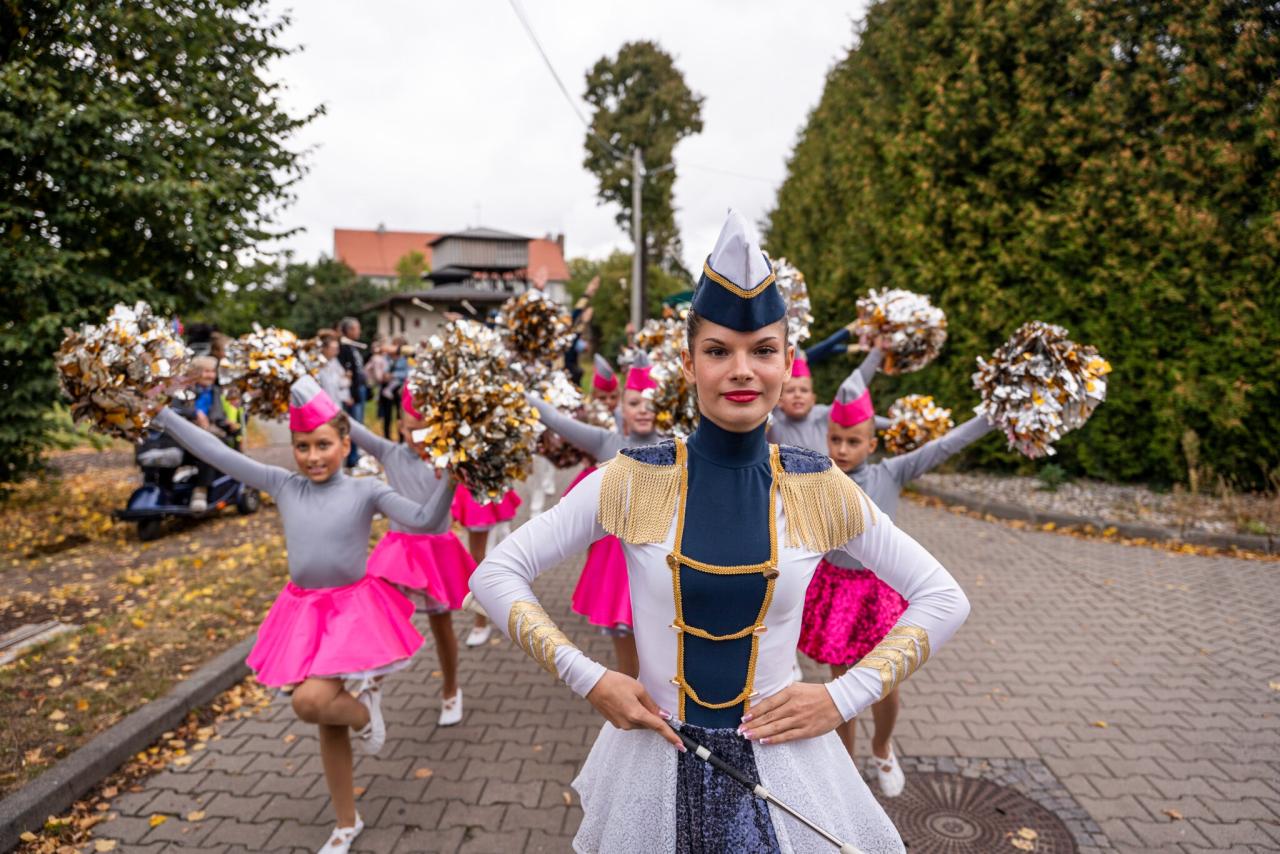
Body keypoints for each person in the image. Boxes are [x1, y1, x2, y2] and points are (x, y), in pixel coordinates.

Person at [469, 211, 969, 852]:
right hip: (653, 756)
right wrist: (588, 678)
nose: (741, 370)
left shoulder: (818, 487)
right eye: (718, 351)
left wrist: (845, 697)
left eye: (762, 350)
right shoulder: (632, 480)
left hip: (786, 765)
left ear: (787, 361)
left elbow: (945, 597)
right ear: (689, 361)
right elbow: (494, 573)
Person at [151, 377, 444, 853]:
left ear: (346, 444)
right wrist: (161, 415)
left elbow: (427, 520)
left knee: (309, 702)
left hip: (350, 612)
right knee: (325, 717)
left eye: (324, 445)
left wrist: (452, 473)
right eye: (303, 447)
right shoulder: (283, 484)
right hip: (304, 613)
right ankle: (346, 820)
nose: (312, 457)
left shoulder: (366, 491)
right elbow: (215, 452)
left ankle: (364, 711)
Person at [799, 371, 994, 797]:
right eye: (835, 440)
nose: (843, 450)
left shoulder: (893, 471)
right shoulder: (817, 478)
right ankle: (846, 772)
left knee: (885, 680)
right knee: (841, 684)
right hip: (833, 591)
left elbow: (944, 446)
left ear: (873, 443)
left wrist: (992, 417)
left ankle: (883, 745)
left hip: (876, 592)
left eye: (853, 442)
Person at [525, 354, 666, 678]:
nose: (643, 409)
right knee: (628, 654)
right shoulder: (606, 441)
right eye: (634, 402)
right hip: (619, 562)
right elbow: (554, 419)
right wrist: (518, 392)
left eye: (650, 401)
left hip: (662, 555)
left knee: (665, 647)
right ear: (621, 409)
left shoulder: (678, 444)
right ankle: (634, 706)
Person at [353, 387, 474, 726]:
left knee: (441, 625)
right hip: (400, 551)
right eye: (410, 428)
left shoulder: (449, 458)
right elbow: (347, 426)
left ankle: (451, 690)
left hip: (437, 552)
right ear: (400, 428)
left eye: (425, 428)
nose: (417, 436)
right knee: (383, 614)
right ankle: (373, 679)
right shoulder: (389, 453)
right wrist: (307, 389)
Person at [179, 355, 234, 512]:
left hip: (212, 433)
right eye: (206, 371)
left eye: (212, 372)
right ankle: (200, 491)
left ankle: (206, 488)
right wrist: (194, 413)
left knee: (214, 442)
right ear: (195, 373)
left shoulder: (216, 392)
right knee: (206, 445)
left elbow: (219, 416)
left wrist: (227, 423)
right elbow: (176, 408)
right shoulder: (184, 390)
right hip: (186, 433)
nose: (210, 375)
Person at [337, 317, 368, 468]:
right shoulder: (344, 347)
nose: (359, 331)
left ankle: (355, 456)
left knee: (359, 423)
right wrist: (350, 394)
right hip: (352, 392)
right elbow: (347, 373)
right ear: (348, 330)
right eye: (356, 328)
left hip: (359, 389)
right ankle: (352, 458)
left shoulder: (353, 346)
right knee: (354, 426)